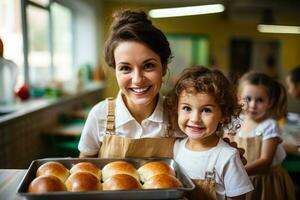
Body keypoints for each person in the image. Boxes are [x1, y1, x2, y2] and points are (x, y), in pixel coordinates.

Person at [78, 9, 246, 161]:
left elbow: (209, 154)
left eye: (148, 65)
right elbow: (85, 169)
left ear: (164, 67)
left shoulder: (181, 116)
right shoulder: (100, 115)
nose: (137, 79)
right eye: (125, 68)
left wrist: (227, 156)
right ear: (115, 71)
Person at [166, 66, 253, 200]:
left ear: (223, 114)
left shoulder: (227, 157)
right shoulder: (174, 148)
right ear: (176, 109)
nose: (195, 119)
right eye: (187, 108)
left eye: (206, 110)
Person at [227, 72, 295, 200]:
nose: (252, 105)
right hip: (240, 182)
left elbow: (265, 161)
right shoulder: (234, 122)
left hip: (265, 183)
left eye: (260, 100)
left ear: (270, 102)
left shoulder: (269, 125)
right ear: (238, 98)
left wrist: (237, 174)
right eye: (247, 99)